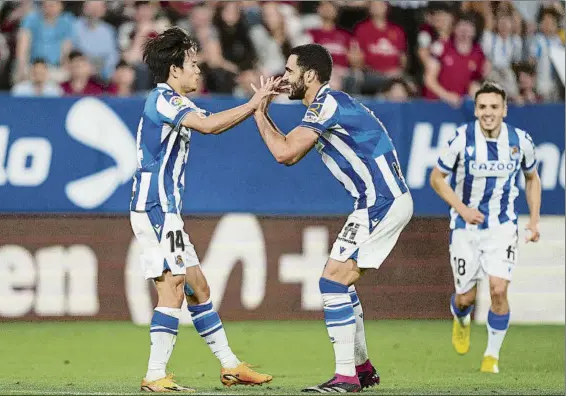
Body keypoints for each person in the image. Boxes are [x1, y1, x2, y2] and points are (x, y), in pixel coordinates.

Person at [251, 43, 413, 393]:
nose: (285, 78)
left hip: (379, 202)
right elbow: (289, 152)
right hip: (379, 200)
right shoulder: (333, 103)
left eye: (290, 71)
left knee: (332, 283)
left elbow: (284, 153)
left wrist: (258, 111)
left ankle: (346, 378)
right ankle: (362, 369)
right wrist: (264, 111)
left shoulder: (326, 104)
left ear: (310, 75)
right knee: (340, 282)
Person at [130, 26, 273, 392]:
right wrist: (252, 104)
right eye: (192, 64)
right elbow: (210, 127)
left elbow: (213, 121)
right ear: (174, 70)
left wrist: (253, 105)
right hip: (155, 206)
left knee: (197, 287)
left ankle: (230, 366)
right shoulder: (163, 99)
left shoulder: (179, 103)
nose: (198, 70)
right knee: (173, 287)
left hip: (168, 209)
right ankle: (155, 375)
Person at [429, 81, 541, 374]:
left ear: (504, 109)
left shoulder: (521, 141)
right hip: (465, 228)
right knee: (466, 297)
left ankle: (491, 356)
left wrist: (534, 220)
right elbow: (437, 178)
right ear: (476, 110)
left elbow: (532, 178)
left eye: (494, 107)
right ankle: (461, 316)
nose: (488, 113)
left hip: (502, 226)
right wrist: (463, 209)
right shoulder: (461, 139)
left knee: (498, 289)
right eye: (482, 107)